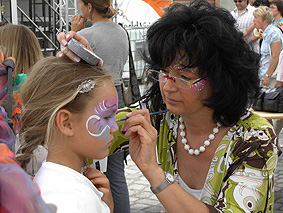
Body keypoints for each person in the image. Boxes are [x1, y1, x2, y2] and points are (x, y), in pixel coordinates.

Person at [57, 1, 280, 212]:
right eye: (163, 72)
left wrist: (154, 173)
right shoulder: (159, 114)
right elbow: (88, 127)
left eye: (183, 76)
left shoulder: (254, 137)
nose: (168, 87)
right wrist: (81, 74)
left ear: (221, 78)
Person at [16, 56, 117, 212]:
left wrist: (105, 206)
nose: (114, 127)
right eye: (106, 117)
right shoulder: (73, 200)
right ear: (66, 123)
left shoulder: (56, 183)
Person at [71, 1, 130, 212]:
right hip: (118, 99)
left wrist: (74, 33)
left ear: (88, 6)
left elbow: (70, 70)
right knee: (116, 170)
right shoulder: (121, 32)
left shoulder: (88, 34)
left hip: (94, 101)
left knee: (86, 167)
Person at [253, 6, 283, 86]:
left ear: (265, 20)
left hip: (271, 79)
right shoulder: (265, 34)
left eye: (256, 18)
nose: (253, 21)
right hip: (263, 76)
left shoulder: (274, 33)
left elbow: (276, 56)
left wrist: (268, 76)